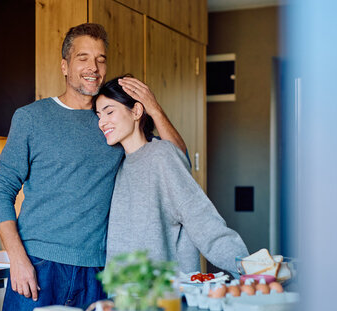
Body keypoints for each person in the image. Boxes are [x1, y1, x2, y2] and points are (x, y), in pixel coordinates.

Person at [0, 23, 186, 311]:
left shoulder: (114, 122)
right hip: (39, 268)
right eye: (83, 58)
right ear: (65, 66)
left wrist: (153, 107)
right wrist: (17, 258)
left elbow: (178, 161)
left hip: (99, 271)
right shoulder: (31, 118)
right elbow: (1, 190)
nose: (93, 67)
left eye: (101, 59)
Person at [93, 76, 249, 274]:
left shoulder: (162, 155)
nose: (102, 122)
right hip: (122, 294)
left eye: (109, 112)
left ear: (137, 111)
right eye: (99, 115)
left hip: (162, 294)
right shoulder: (118, 164)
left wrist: (248, 267)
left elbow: (201, 219)